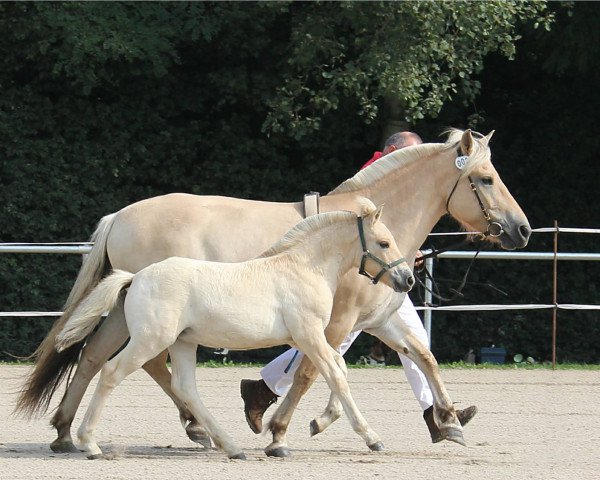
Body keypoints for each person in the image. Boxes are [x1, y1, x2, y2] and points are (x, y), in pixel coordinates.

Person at [240, 131, 477, 443]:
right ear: (392, 150)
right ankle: (265, 388)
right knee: (331, 343)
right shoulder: (377, 176)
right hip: (365, 275)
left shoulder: (403, 178)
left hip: (387, 273)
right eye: (410, 153)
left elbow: (397, 230)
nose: (415, 161)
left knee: (411, 341)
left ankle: (436, 412)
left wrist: (407, 254)